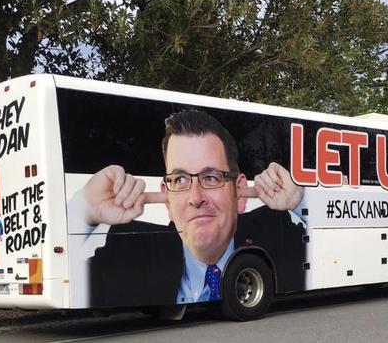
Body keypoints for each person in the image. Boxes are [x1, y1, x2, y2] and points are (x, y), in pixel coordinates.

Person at [78, 109, 306, 307]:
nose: (195, 198)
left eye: (211, 177)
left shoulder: (279, 230)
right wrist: (85, 211)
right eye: (179, 180)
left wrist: (299, 200)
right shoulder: (126, 249)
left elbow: (330, 241)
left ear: (239, 192)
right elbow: (62, 280)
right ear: (168, 200)